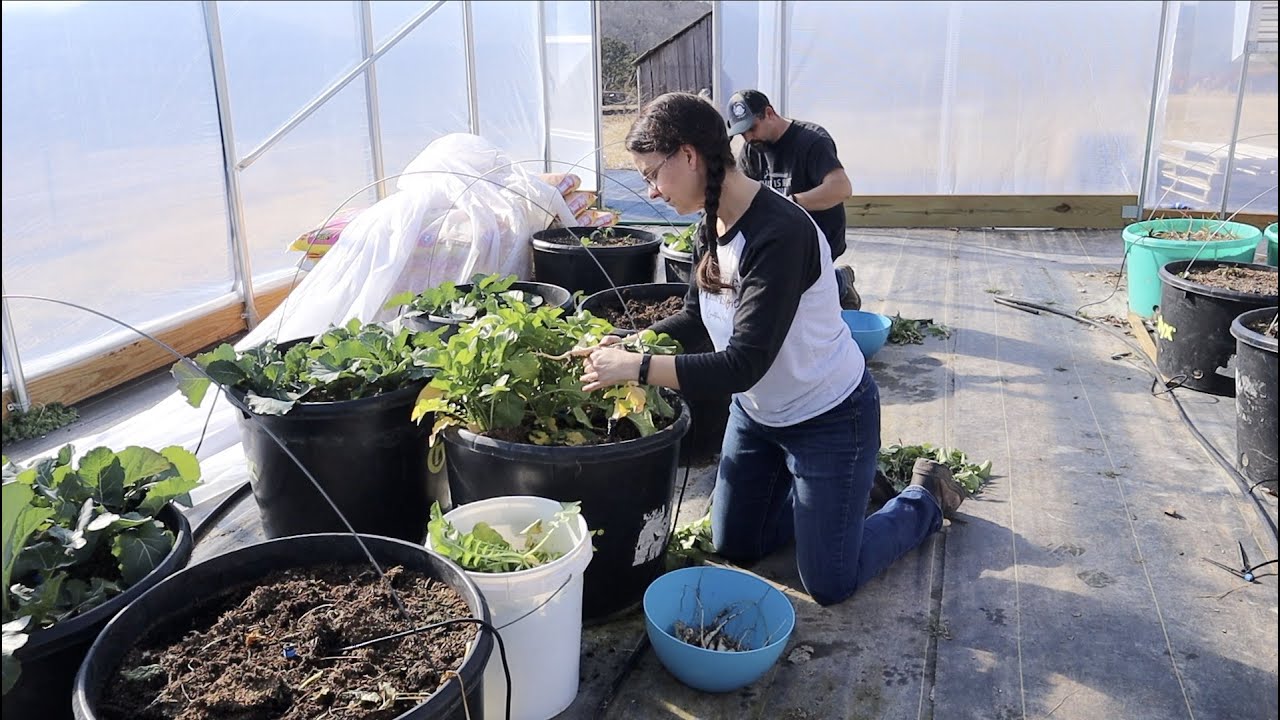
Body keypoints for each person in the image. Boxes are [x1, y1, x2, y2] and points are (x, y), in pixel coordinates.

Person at [580, 92, 966, 606]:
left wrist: (637, 366)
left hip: (829, 417)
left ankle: (923, 498)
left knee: (829, 582)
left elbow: (743, 363)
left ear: (690, 156)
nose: (650, 190)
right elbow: (699, 314)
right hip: (760, 415)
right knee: (736, 544)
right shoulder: (710, 218)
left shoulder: (779, 233)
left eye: (652, 174)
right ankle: (836, 502)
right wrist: (634, 341)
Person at [724, 89, 862, 311]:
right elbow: (740, 190)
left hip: (820, 236)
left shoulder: (812, 141)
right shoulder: (752, 150)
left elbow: (841, 188)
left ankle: (840, 283)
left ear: (769, 113)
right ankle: (834, 280)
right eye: (742, 133)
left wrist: (789, 203)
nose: (749, 137)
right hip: (780, 235)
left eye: (752, 128)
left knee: (791, 295)